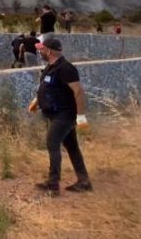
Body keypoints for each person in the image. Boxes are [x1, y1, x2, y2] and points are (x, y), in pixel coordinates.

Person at [27, 38, 92, 196]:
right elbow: (49, 87)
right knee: (72, 147)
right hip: (54, 114)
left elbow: (78, 91)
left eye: (41, 49)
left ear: (48, 51)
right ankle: (84, 182)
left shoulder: (66, 68)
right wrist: (37, 101)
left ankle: (53, 184)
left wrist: (81, 116)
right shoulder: (51, 67)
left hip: (64, 115)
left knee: (52, 143)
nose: (39, 51)